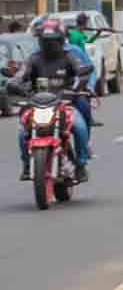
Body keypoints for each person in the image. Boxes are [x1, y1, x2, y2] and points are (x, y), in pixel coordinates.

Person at [11, 16, 93, 181]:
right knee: (22, 133)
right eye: (46, 41)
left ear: (61, 40)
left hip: (65, 104)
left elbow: (82, 72)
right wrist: (15, 83)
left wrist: (77, 88)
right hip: (37, 105)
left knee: (80, 127)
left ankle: (81, 165)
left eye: (53, 41)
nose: (49, 45)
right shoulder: (34, 58)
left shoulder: (69, 56)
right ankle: (27, 165)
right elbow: (21, 75)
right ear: (40, 41)